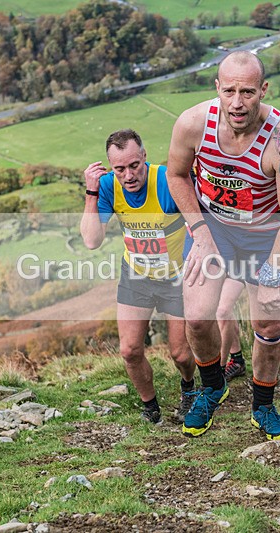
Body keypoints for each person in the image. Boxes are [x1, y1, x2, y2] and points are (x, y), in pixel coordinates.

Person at [167, 51, 280, 441]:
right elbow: (177, 175)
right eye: (229, 91)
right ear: (217, 88)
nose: (237, 102)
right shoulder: (193, 124)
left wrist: (274, 273)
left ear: (264, 90)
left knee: (268, 324)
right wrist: (200, 233)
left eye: (247, 92)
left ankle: (263, 407)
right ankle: (213, 388)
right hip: (213, 228)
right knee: (197, 318)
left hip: (264, 236)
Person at [80, 129, 196, 425]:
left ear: (144, 156)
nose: (129, 175)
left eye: (134, 165)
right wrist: (91, 193)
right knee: (130, 350)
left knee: (181, 354)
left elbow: (200, 223)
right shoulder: (109, 186)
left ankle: (189, 389)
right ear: (111, 167)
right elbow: (92, 240)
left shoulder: (168, 180)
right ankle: (150, 407)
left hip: (177, 276)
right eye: (119, 169)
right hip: (137, 275)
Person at [216, 277, 247, 381]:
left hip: (240, 269)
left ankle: (220, 371)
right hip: (217, 269)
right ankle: (237, 361)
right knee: (224, 308)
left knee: (222, 311)